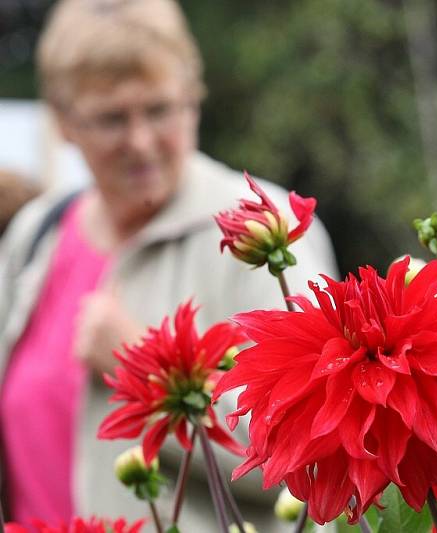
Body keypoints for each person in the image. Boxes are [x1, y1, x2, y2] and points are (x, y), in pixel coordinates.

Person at [0, 0, 338, 530]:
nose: (140, 142)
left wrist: (145, 369)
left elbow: (317, 452)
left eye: (159, 110)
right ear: (64, 123)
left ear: (193, 102)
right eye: (112, 118)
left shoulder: (263, 227)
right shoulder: (35, 234)